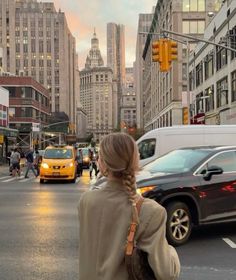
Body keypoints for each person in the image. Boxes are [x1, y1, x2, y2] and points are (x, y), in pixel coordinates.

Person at [78, 133, 180, 280]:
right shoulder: (151, 211)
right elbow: (167, 273)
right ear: (136, 161)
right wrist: (171, 252)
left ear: (102, 164)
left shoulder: (86, 201)